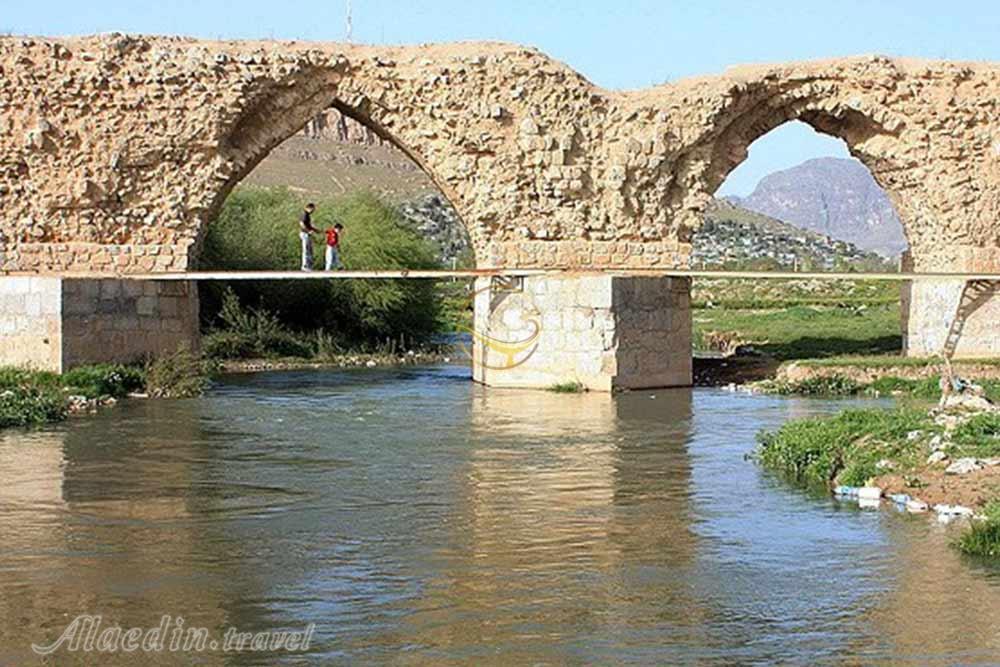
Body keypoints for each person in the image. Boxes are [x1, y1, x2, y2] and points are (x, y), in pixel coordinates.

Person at [298, 203, 320, 271]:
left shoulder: (307, 215)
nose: (313, 211)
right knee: (306, 250)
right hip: (305, 234)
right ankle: (305, 266)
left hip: (307, 234)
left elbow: (309, 226)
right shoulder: (304, 214)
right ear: (309, 208)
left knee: (309, 250)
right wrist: (308, 231)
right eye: (313, 209)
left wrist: (316, 230)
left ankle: (309, 266)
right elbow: (302, 224)